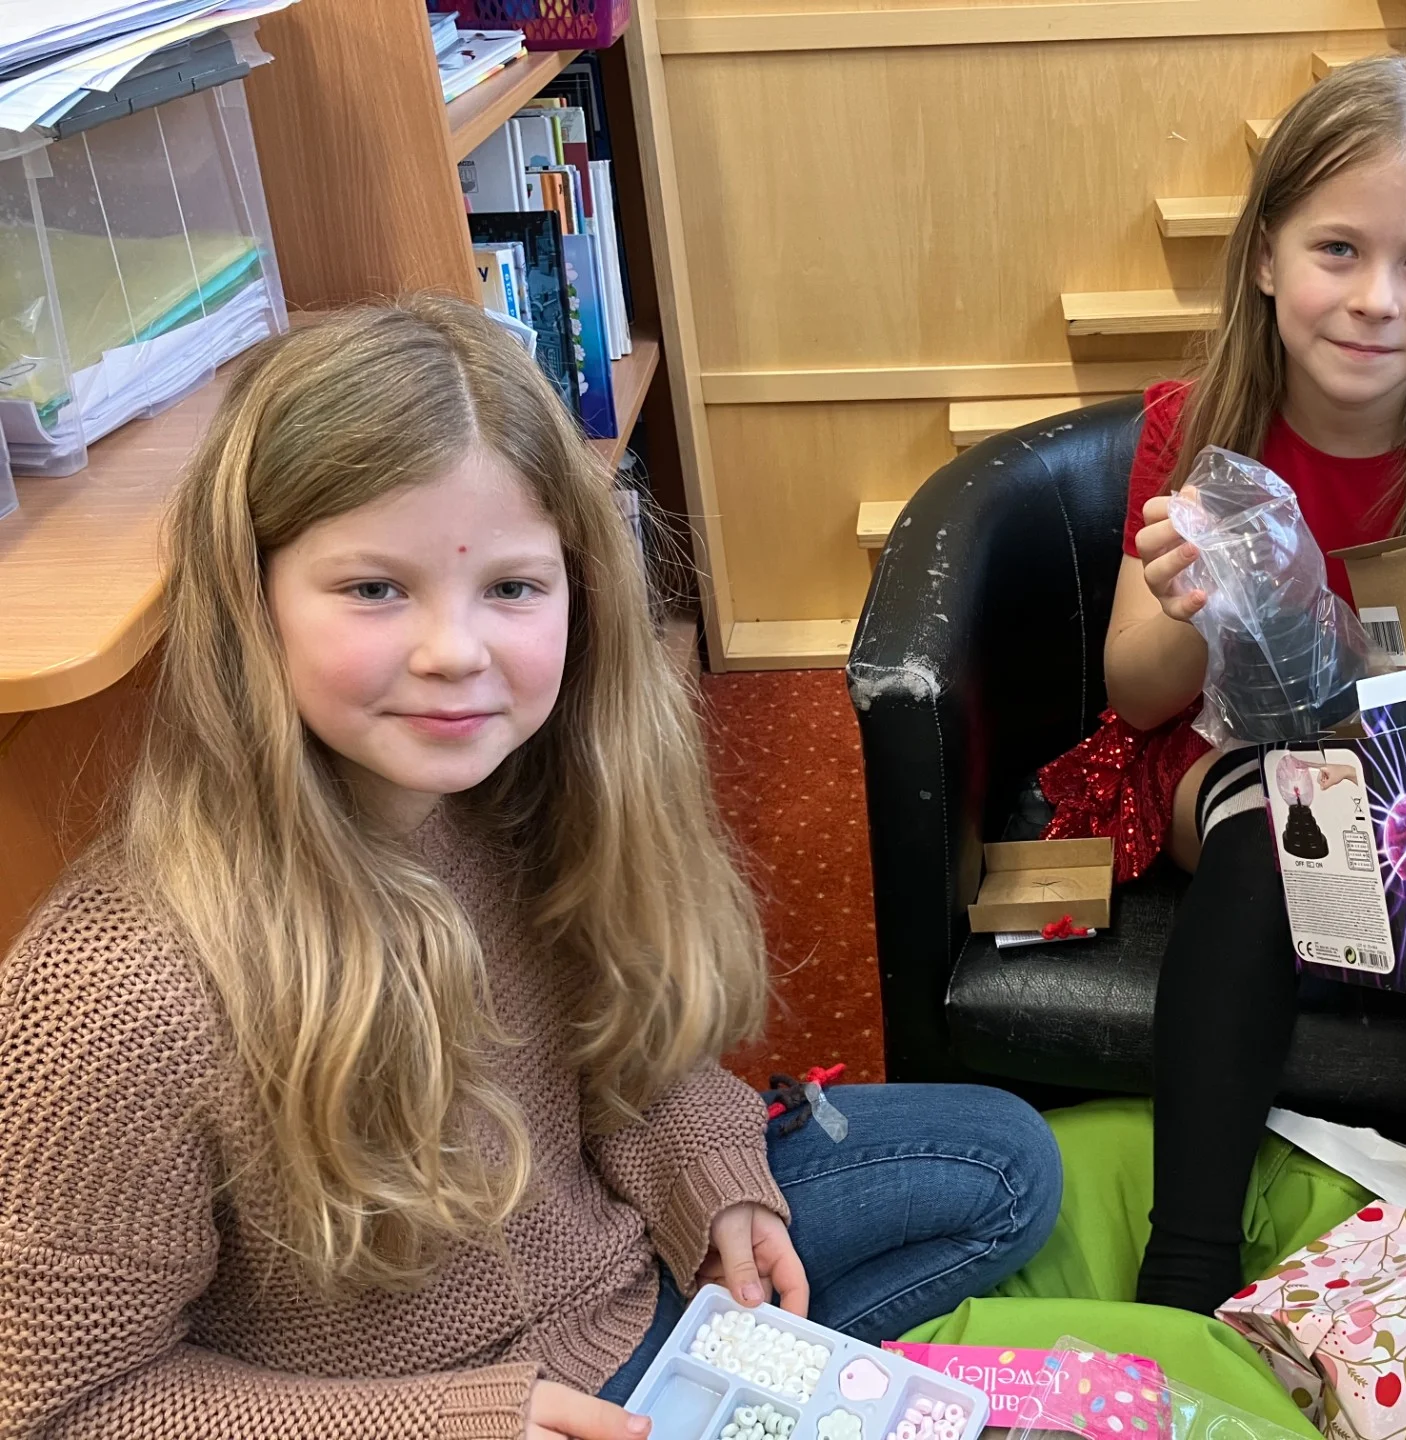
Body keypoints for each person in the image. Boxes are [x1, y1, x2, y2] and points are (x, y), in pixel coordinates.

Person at [0, 299, 1061, 1440]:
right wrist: (445, 1425)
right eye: (373, 588)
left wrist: (705, 1173)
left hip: (618, 1283)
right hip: (391, 1408)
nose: (454, 653)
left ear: (577, 591)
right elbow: (59, 1405)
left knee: (1008, 1163)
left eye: (510, 587)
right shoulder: (108, 993)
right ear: (248, 599)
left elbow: (619, 1051)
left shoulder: (518, 794)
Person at [1038, 56, 1406, 1315]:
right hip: (1225, 759)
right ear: (1269, 256)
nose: (1376, 300)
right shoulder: (1192, 430)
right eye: (1339, 249)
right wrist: (1188, 605)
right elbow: (1140, 696)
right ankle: (1188, 1263)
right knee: (1281, 832)